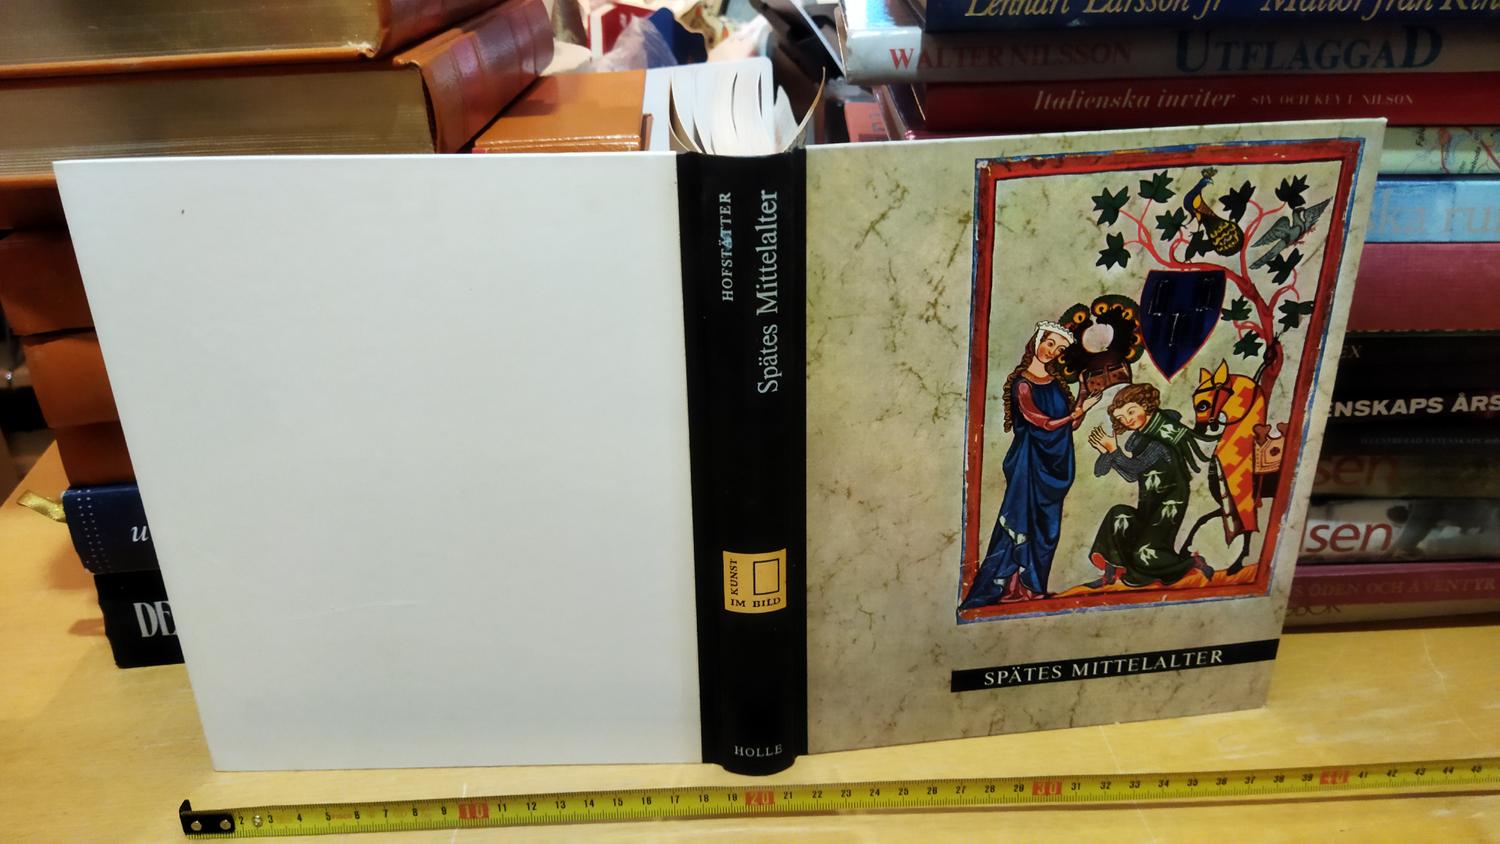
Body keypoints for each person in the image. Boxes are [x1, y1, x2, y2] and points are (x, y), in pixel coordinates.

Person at [961, 321, 1100, 608]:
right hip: (1029, 464)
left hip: (1054, 466)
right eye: (1050, 343)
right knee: (1021, 522)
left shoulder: (1056, 385)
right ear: (1037, 341)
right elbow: (1042, 423)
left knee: (1046, 529)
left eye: (1059, 349)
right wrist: (1074, 413)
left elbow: (1070, 425)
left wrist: (1083, 396)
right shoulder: (1022, 384)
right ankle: (1004, 588)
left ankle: (1031, 589)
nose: (1052, 351)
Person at [1085, 384, 1215, 588]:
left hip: (1168, 502)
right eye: (1121, 418)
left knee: (1144, 555)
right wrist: (1106, 453)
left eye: (1131, 412)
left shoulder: (1160, 437)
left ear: (1145, 405)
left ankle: (1192, 563)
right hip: (1149, 501)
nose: (1127, 420)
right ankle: (1111, 573)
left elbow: (1135, 466)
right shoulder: (1139, 439)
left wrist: (1114, 451)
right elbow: (1116, 473)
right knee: (1118, 515)